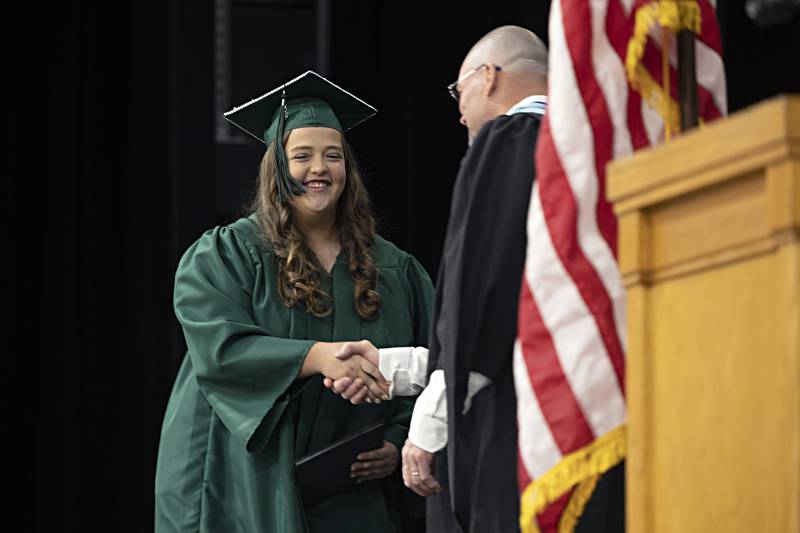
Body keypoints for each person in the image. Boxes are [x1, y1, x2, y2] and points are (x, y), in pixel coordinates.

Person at [154, 71, 434, 533]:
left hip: (347, 486)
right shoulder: (228, 254)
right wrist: (316, 357)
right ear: (277, 168)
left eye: (333, 156)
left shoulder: (394, 269)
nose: (319, 169)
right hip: (242, 477)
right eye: (301, 156)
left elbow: (433, 362)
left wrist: (396, 440)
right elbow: (220, 350)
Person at [324, 25, 548, 532]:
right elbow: (522, 320)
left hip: (505, 436)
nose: (458, 108)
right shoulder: (582, 150)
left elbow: (485, 304)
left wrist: (428, 426)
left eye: (459, 90)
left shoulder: (510, 140)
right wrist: (392, 366)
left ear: (489, 77)